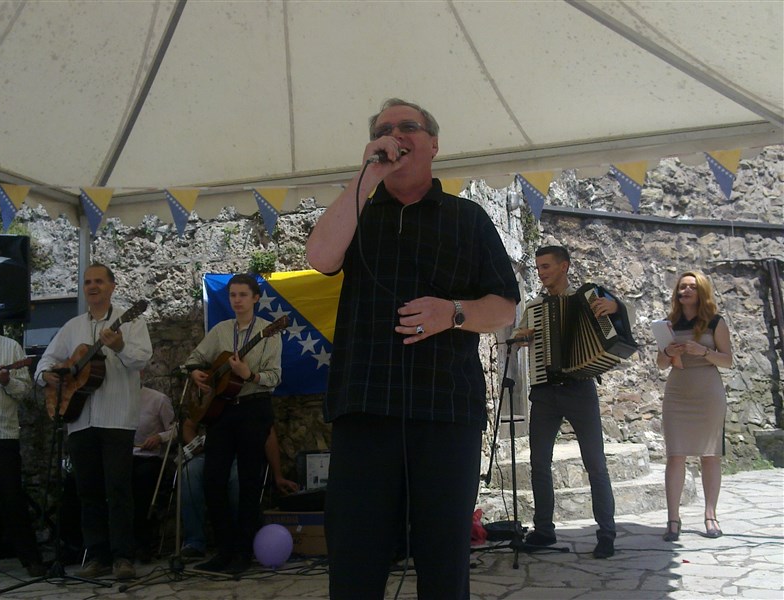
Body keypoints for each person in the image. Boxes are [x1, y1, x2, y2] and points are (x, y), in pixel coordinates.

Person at [306, 97, 520, 599]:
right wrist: (366, 177)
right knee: (354, 563)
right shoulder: (357, 211)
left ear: (434, 144)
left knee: (443, 563)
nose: (395, 135)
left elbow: (505, 309)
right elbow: (320, 257)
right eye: (383, 129)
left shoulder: (468, 218)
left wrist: (453, 313)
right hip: (364, 408)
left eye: (408, 126)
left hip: (445, 411)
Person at [511, 245, 632, 559]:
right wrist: (523, 337)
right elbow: (521, 334)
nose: (541, 272)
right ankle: (544, 530)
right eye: (538, 267)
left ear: (564, 266)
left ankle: (606, 534)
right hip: (544, 391)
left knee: (595, 464)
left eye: (546, 266)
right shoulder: (535, 306)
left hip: (580, 389)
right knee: (539, 463)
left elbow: (623, 326)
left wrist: (616, 307)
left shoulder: (590, 298)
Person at [35, 263, 152, 580]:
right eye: (87, 282)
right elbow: (45, 362)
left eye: (99, 281)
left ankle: (123, 557)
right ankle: (97, 556)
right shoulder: (72, 327)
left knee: (118, 489)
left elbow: (143, 359)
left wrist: (120, 346)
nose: (92, 286)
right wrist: (48, 376)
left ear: (112, 286)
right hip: (79, 420)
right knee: (87, 491)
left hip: (117, 417)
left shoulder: (131, 320)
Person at [185, 273, 283, 574]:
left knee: (249, 482)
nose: (237, 300)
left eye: (243, 295)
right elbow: (194, 359)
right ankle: (224, 550)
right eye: (233, 295)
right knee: (213, 478)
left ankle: (243, 552)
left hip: (254, 409)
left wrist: (248, 374)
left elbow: (274, 378)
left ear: (255, 298)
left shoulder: (269, 331)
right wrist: (195, 373)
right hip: (222, 412)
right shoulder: (221, 330)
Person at [656, 270, 732, 541]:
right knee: (675, 454)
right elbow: (660, 364)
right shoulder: (668, 324)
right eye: (681, 287)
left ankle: (711, 515)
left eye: (691, 287)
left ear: (701, 291)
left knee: (710, 455)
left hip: (708, 393)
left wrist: (704, 352)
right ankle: (673, 519)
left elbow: (728, 360)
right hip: (677, 392)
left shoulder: (715, 322)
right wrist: (668, 352)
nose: (685, 291)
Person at [0, 298, 46, 578]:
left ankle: (30, 558)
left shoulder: (10, 348)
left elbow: (25, 391)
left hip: (1, 431)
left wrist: (8, 381)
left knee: (11, 495)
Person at [177, 417, 298, 560]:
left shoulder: (252, 405)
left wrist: (278, 475)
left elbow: (268, 435)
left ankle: (240, 541)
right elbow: (188, 425)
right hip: (211, 454)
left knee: (239, 478)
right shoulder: (211, 403)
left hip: (240, 456)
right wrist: (195, 444)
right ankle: (194, 542)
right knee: (190, 472)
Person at [132, 383, 175, 562]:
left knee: (142, 481)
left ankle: (142, 544)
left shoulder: (158, 399)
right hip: (121, 458)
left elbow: (175, 430)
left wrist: (159, 437)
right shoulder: (115, 401)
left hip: (148, 457)